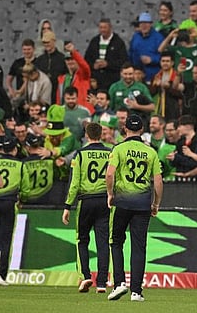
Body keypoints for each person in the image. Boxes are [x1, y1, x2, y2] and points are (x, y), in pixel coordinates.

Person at [106, 114, 163, 302]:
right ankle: (136, 292)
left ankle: (119, 283)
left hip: (122, 202)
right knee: (139, 246)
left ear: (125, 129)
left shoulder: (119, 149)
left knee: (116, 241)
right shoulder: (151, 152)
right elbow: (158, 182)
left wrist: (110, 194)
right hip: (142, 204)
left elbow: (110, 174)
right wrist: (156, 204)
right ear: (142, 130)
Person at [62, 123, 110, 293]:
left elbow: (75, 183)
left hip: (86, 201)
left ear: (87, 135)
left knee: (82, 240)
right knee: (103, 242)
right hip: (105, 201)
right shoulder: (110, 153)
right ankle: (103, 282)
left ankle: (85, 276)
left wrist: (68, 205)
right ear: (102, 134)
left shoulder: (80, 154)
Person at [0, 136, 19, 286]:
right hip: (8, 201)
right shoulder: (19, 164)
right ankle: (1, 275)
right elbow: (25, 186)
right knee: (7, 234)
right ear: (13, 149)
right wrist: (24, 198)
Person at [84, 18, 128, 90]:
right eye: (101, 27)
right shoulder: (94, 41)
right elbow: (87, 59)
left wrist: (108, 64)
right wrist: (93, 66)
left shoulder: (118, 42)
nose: (103, 30)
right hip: (96, 81)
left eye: (105, 27)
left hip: (111, 80)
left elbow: (123, 61)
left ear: (110, 28)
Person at [128, 12, 164, 83]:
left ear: (150, 24)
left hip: (153, 75)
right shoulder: (135, 36)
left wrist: (152, 60)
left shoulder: (158, 37)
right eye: (141, 23)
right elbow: (131, 53)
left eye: (146, 23)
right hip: (137, 76)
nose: (144, 26)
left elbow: (164, 57)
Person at [20, 133, 55, 204]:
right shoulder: (50, 161)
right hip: (47, 197)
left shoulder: (23, 163)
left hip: (28, 199)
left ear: (27, 147)